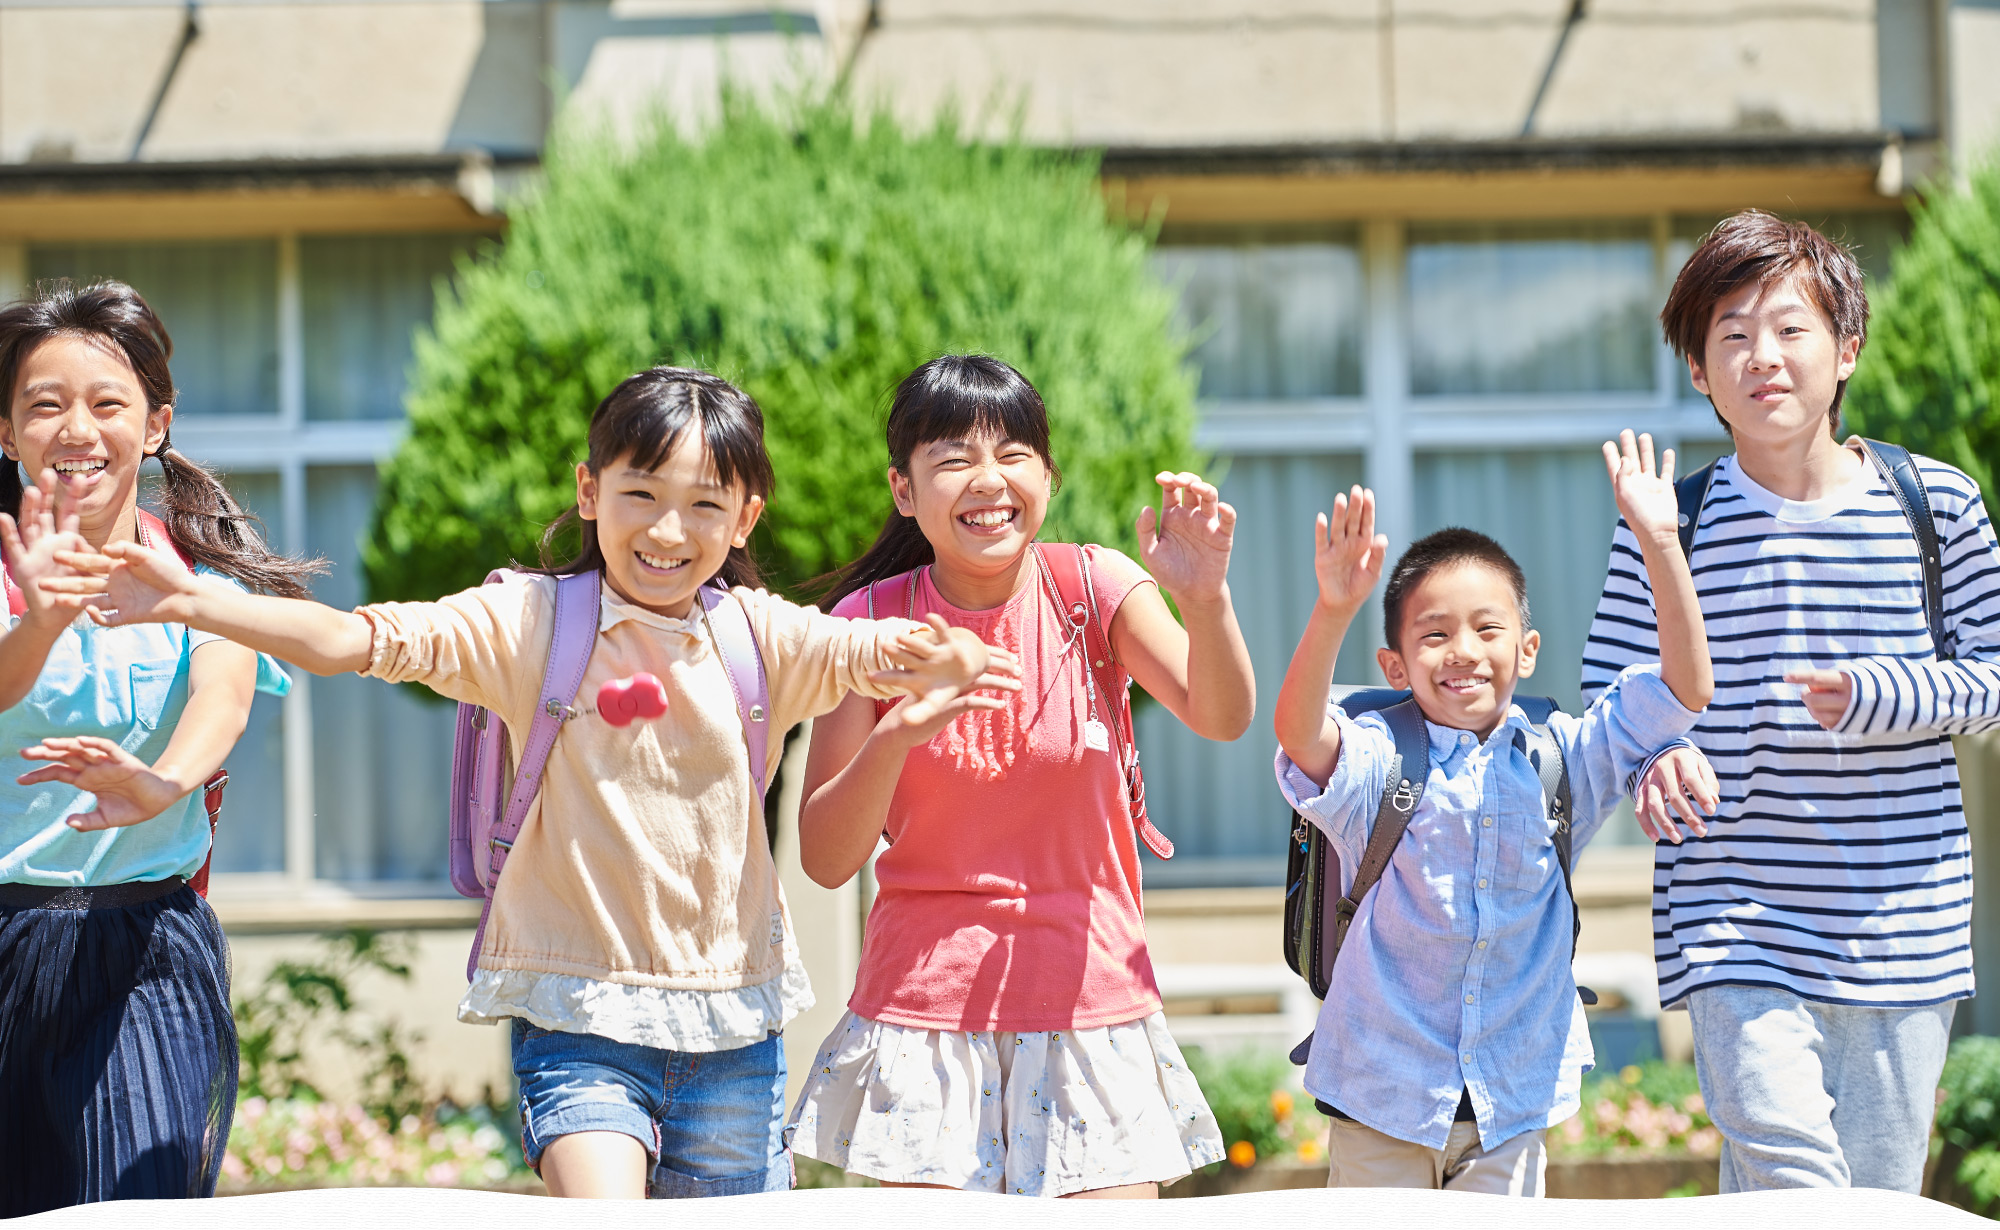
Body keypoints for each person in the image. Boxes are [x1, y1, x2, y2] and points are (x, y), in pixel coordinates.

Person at [45, 366, 1017, 1201]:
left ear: (745, 516)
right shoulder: (528, 624)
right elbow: (352, 640)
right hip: (575, 1022)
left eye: (705, 503)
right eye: (641, 493)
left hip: (736, 1031)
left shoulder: (761, 634)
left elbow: (885, 648)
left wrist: (944, 659)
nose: (668, 528)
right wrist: (194, 599)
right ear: (590, 491)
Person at [1582, 210, 2000, 1194]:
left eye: (1788, 329)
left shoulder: (1932, 505)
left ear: (1845, 350)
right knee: (1792, 1186)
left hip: (1902, 927)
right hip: (1731, 916)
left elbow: (1992, 682)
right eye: (1729, 335)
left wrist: (1876, 694)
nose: (1759, 357)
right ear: (1696, 370)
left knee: (1871, 1201)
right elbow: (1609, 700)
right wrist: (1653, 757)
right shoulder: (1665, 520)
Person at [784, 354, 1255, 1197]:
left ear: (1048, 474)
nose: (987, 479)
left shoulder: (1094, 586)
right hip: (922, 1016)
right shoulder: (866, 624)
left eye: (1013, 454)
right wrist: (900, 734)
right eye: (953, 458)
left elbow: (1221, 717)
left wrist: (1208, 599)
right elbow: (824, 858)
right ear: (904, 489)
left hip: (1092, 1005)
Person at [1270, 432, 1713, 1195]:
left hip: (1513, 1096)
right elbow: (1302, 734)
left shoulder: (1560, 756)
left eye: (1487, 628)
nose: (1462, 651)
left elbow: (1686, 689)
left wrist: (1661, 544)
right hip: (1381, 1093)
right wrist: (1333, 610)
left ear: (1528, 648)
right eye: (1434, 634)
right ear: (1395, 666)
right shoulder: (1380, 752)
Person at [0, 280, 308, 1214]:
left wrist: (161, 782)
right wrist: (40, 623)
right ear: (7, 433)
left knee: (138, 1208)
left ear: (157, 424)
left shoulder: (199, 578)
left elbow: (227, 695)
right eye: (44, 405)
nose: (76, 429)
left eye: (107, 403)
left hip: (146, 949)